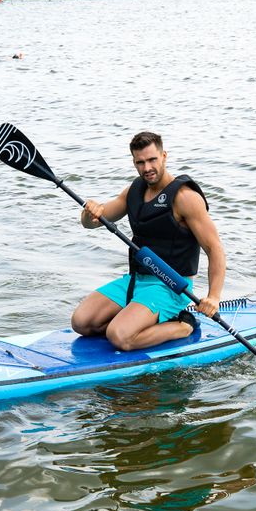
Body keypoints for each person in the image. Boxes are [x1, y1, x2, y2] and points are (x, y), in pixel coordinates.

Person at [70, 131, 226, 351]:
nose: (147, 168)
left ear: (164, 156)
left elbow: (214, 248)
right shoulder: (134, 191)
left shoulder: (185, 198)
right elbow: (93, 222)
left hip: (171, 286)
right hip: (136, 280)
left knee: (119, 337)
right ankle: (136, 319)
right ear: (134, 162)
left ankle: (182, 325)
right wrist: (90, 213)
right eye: (140, 162)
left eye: (152, 159)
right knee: (81, 322)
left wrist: (213, 297)